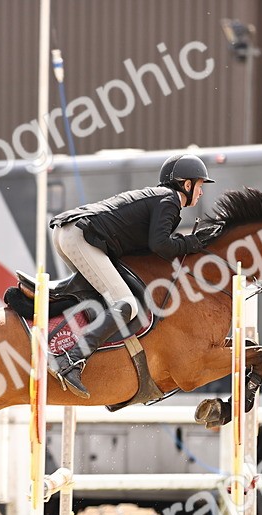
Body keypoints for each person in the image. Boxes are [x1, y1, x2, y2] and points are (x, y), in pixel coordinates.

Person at [47, 154, 217, 398]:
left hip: (69, 233)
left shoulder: (159, 198)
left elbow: (148, 246)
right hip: (80, 236)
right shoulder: (170, 200)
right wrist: (193, 242)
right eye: (199, 186)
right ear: (186, 185)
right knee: (126, 305)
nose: (201, 193)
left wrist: (186, 242)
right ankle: (69, 360)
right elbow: (161, 245)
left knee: (102, 296)